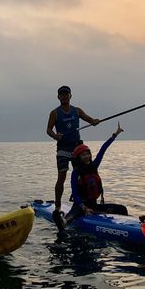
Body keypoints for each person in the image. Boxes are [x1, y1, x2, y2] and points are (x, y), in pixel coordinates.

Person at [45, 85, 100, 226]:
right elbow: (48, 130)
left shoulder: (77, 110)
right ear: (58, 97)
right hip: (63, 149)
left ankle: (84, 202)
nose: (64, 96)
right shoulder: (54, 113)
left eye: (66, 94)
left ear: (70, 96)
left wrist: (94, 121)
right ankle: (57, 205)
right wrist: (55, 136)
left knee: (83, 176)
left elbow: (89, 119)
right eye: (61, 94)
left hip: (77, 149)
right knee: (62, 178)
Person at [66, 122, 127, 224]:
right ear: (79, 158)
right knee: (69, 218)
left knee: (122, 209)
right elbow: (75, 195)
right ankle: (63, 220)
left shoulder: (94, 166)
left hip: (94, 206)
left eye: (87, 154)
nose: (86, 157)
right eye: (83, 155)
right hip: (79, 206)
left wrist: (115, 135)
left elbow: (103, 149)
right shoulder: (76, 173)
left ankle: (128, 226)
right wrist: (84, 208)